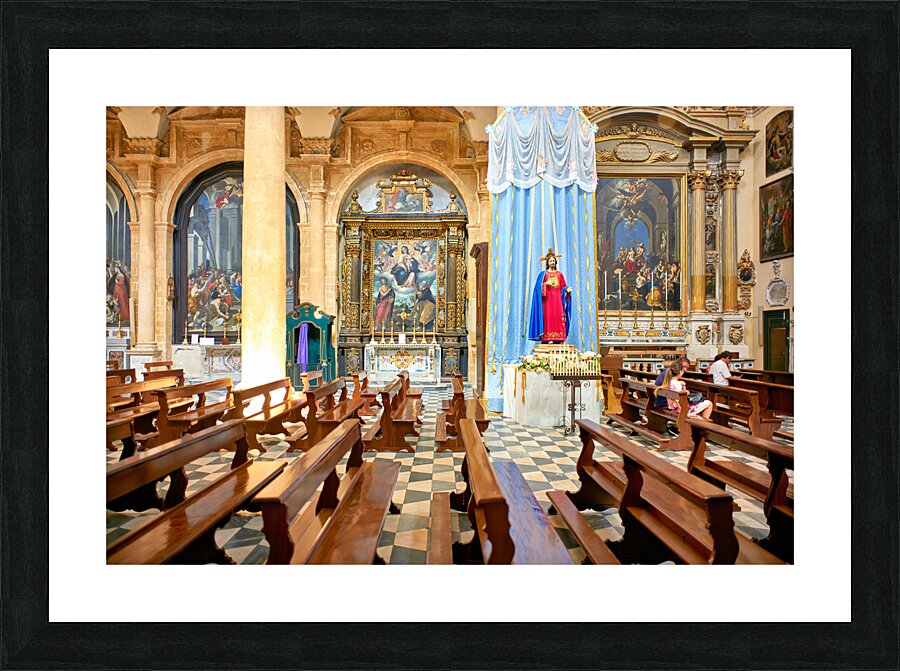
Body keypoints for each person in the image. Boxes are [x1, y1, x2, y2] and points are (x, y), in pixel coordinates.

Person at [527, 248, 571, 344]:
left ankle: (559, 338)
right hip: (547, 302)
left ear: (555, 262)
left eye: (553, 261)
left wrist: (567, 290)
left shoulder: (559, 275)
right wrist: (545, 284)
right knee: (548, 318)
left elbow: (563, 286)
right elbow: (537, 288)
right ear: (547, 262)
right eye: (550, 261)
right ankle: (548, 338)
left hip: (557, 301)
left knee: (558, 318)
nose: (552, 262)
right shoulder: (543, 275)